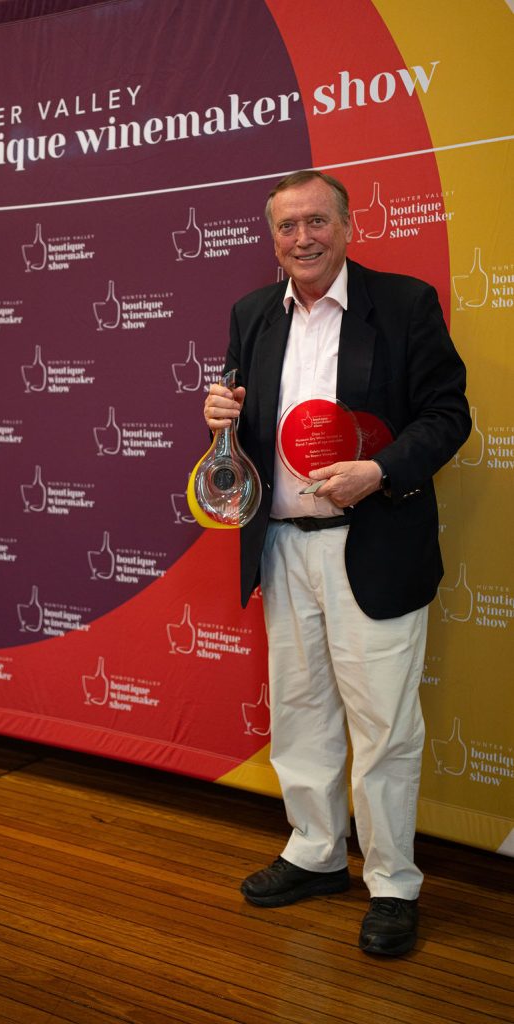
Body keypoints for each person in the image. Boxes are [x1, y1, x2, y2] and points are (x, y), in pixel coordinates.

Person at [203, 170, 471, 957]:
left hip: (374, 542)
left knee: (383, 725)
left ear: (347, 226)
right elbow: (244, 437)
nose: (302, 238)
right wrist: (220, 421)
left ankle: (391, 883)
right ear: (271, 239)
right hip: (282, 543)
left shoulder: (404, 304)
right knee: (300, 711)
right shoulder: (251, 314)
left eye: (316, 221)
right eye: (287, 226)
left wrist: (379, 469)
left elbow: (447, 415)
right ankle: (316, 852)